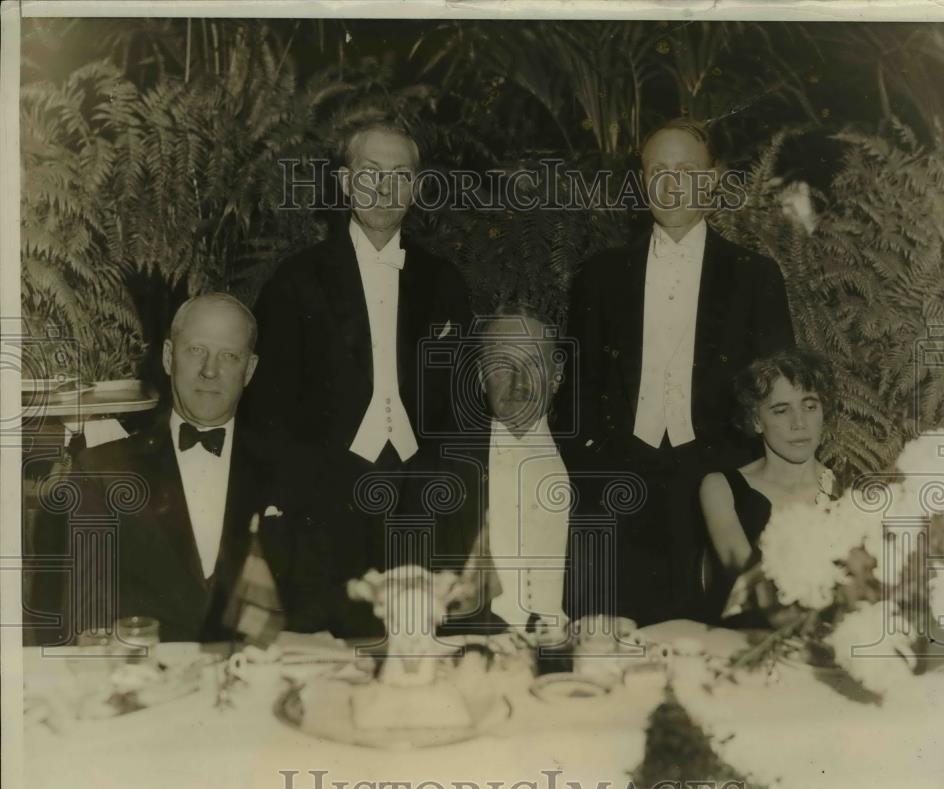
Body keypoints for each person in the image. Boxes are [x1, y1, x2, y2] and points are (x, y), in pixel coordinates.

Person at [559, 118, 796, 627]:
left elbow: (775, 396)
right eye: (657, 170)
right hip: (618, 480)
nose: (670, 184)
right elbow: (578, 392)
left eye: (686, 170)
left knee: (717, 646)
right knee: (607, 644)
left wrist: (740, 479)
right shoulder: (601, 275)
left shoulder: (754, 276)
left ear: (712, 180)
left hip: (719, 481)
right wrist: (593, 467)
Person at [242, 117, 472, 636]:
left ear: (415, 187)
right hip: (326, 504)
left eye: (400, 175)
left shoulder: (444, 283)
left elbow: (459, 412)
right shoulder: (298, 280)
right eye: (370, 173)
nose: (385, 189)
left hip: (420, 504)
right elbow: (269, 411)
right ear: (345, 181)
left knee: (419, 652)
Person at [72, 294, 287, 643]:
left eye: (229, 356)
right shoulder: (102, 471)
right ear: (169, 357)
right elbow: (83, 616)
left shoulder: (292, 471)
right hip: (145, 685)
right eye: (196, 350)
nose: (210, 370)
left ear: (249, 370)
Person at [448, 306, 571, 634]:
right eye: (502, 366)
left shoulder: (597, 462)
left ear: (556, 375)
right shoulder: (443, 464)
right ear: (479, 375)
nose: (519, 384)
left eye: (532, 364)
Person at [698, 349, 837, 623]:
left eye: (810, 406)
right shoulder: (721, 487)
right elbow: (747, 575)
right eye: (781, 410)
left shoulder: (849, 491)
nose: (799, 423)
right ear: (756, 420)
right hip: (751, 639)